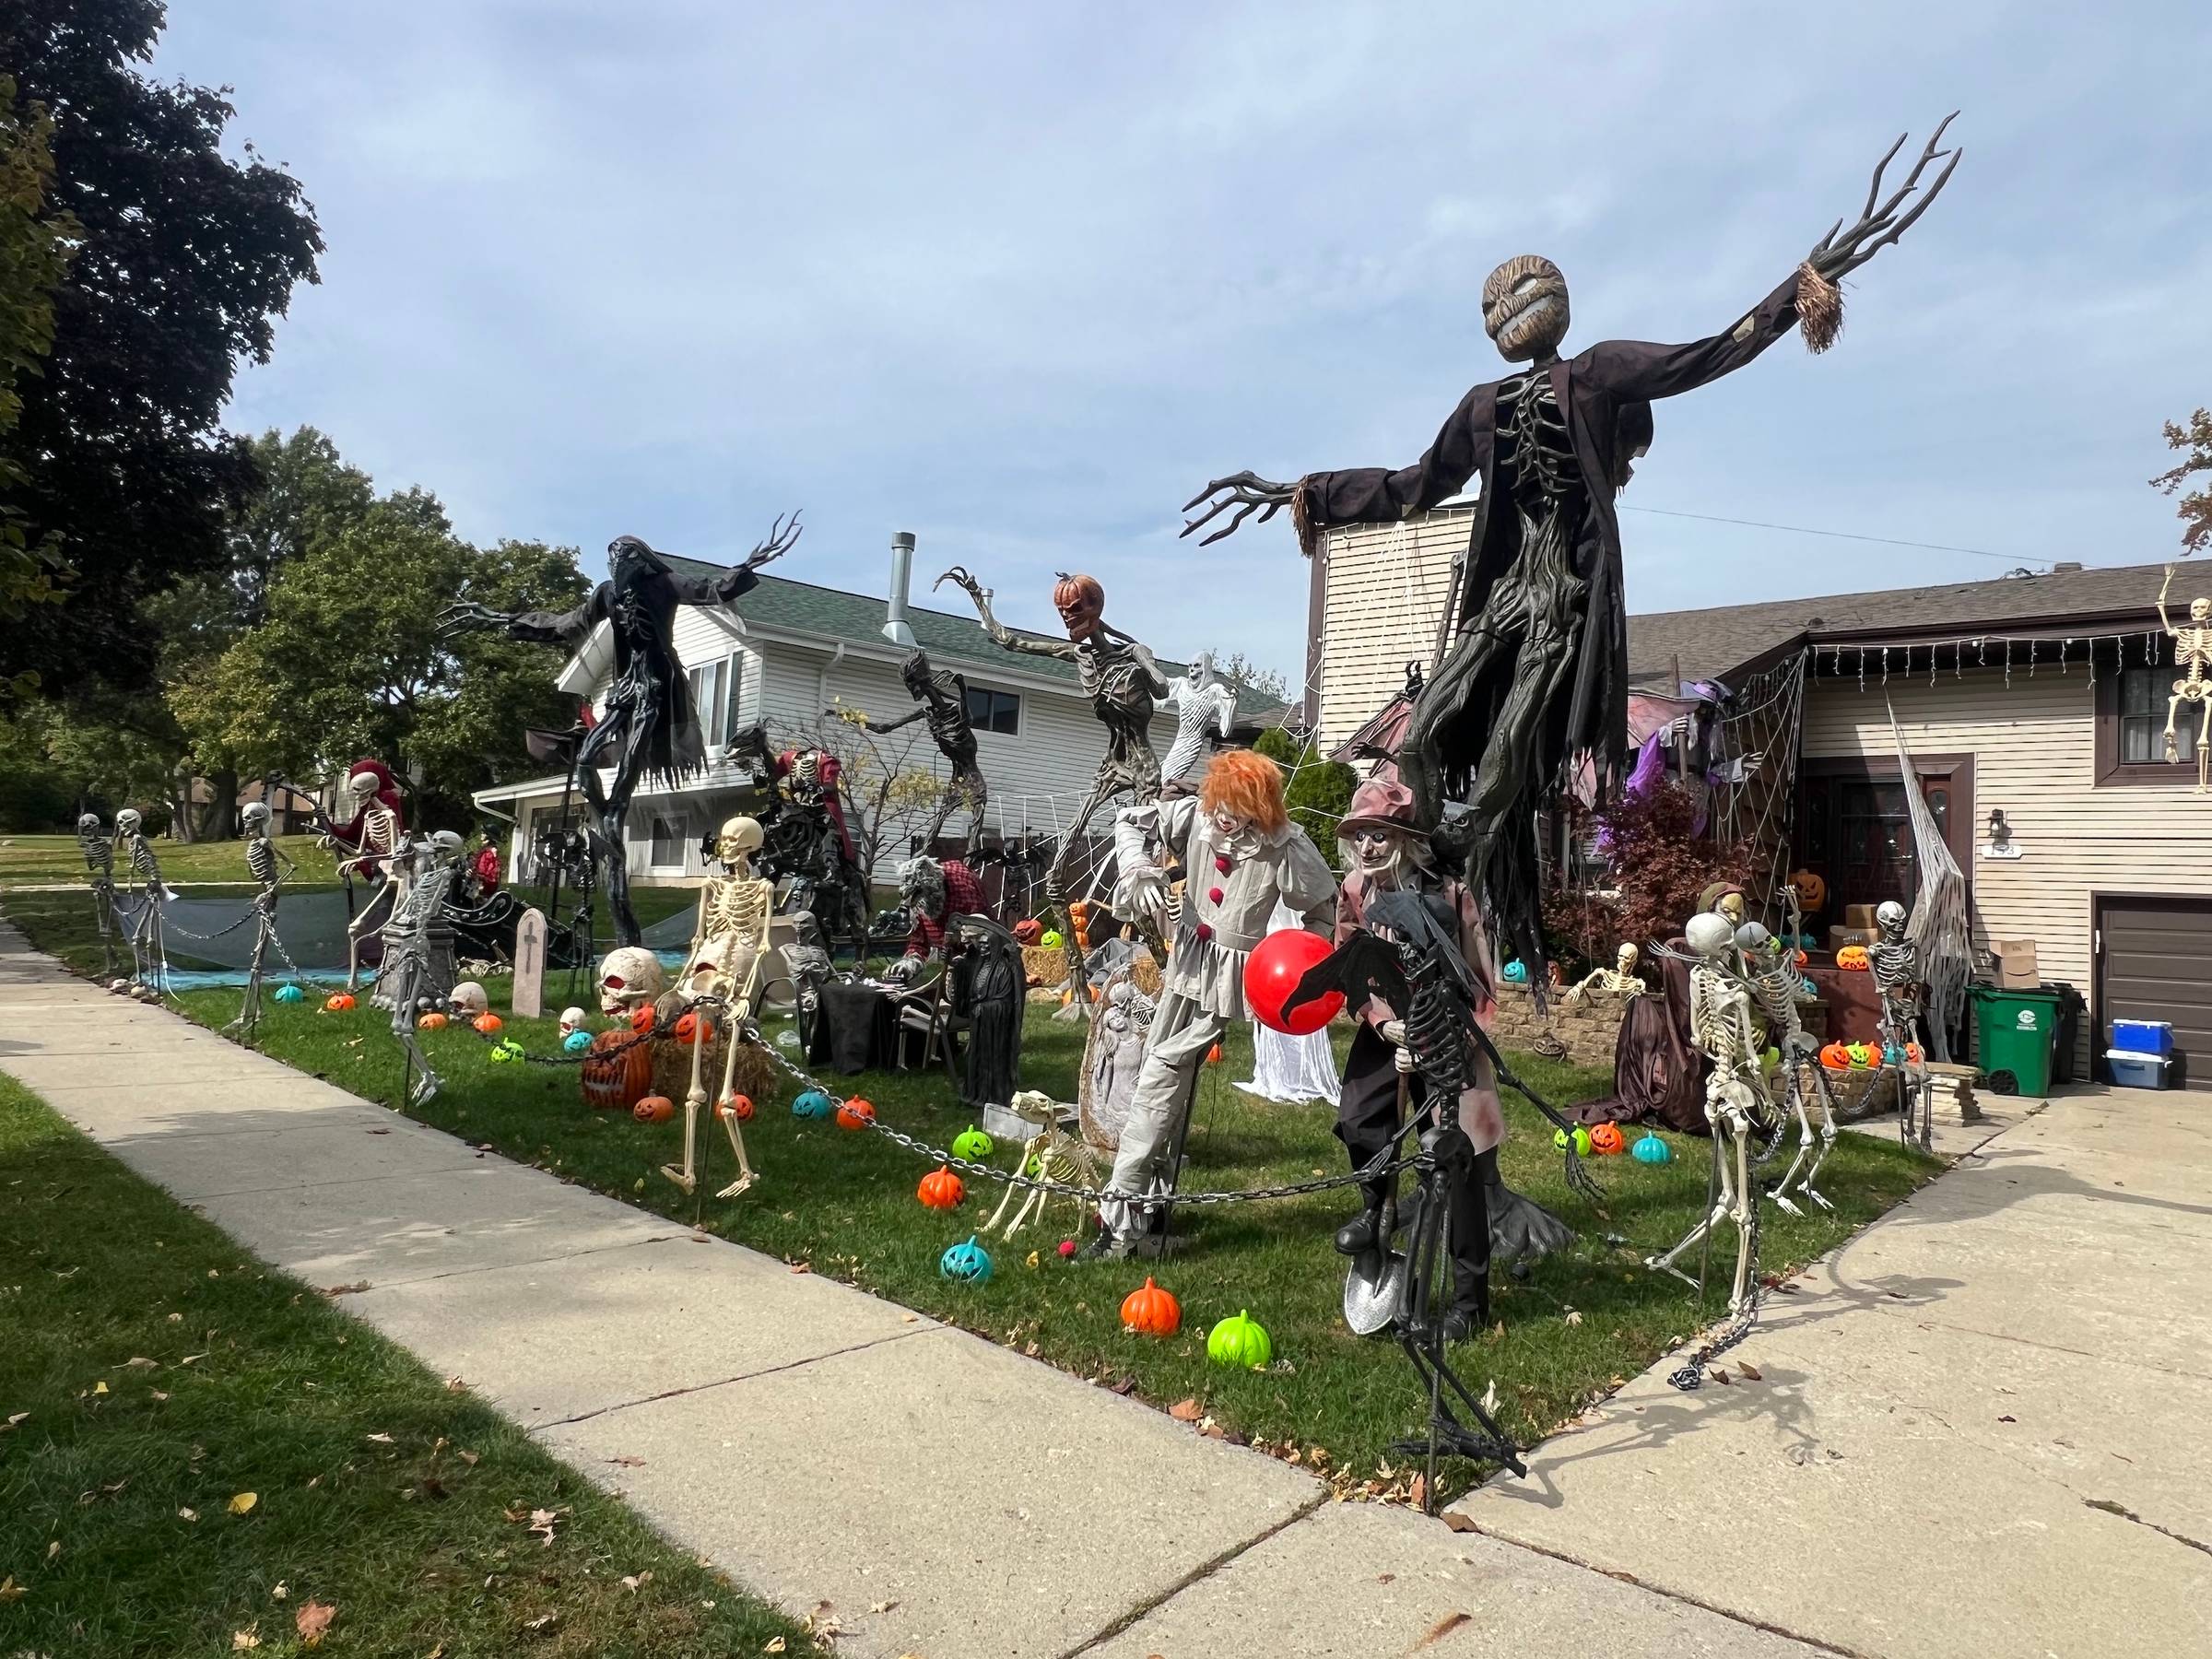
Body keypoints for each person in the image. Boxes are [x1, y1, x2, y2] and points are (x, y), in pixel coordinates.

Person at [1080, 748, 1336, 1259]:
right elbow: (1128, 822)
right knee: (1164, 1085)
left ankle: (1121, 1219)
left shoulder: (1282, 844)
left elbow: (1322, 912)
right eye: (1220, 801)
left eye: (1236, 807)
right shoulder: (1197, 816)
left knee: (1159, 1081)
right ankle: (1147, 1211)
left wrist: (1299, 968)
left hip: (1228, 980)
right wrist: (1138, 872)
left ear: (1259, 808)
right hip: (1185, 964)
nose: (1223, 815)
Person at [1329, 776, 1502, 1339]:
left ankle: (1469, 1300)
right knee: (1359, 1117)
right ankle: (1376, 1208)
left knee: (1458, 1162)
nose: (1368, 848)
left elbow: (1481, 976)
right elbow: (1347, 966)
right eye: (1360, 837)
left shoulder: (1450, 894)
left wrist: (1458, 1036)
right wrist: (1386, 1025)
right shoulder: (1355, 891)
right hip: (1388, 1033)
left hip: (1450, 1037)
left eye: (1378, 835)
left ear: (1403, 839)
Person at [472, 829, 502, 900]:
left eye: (483, 833)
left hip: (484, 889)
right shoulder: (485, 851)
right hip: (479, 885)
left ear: (488, 836)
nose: (481, 834)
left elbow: (492, 874)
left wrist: (480, 881)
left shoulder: (490, 853)